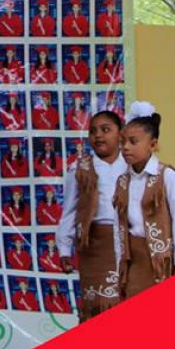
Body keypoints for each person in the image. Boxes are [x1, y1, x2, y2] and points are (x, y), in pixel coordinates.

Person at [114, 102, 175, 299]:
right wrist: (119, 262)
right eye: (123, 142)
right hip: (134, 262)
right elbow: (119, 225)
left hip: (163, 262)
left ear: (153, 144)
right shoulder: (122, 181)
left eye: (133, 142)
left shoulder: (167, 176)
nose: (125, 148)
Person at [57, 110, 126, 321]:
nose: (98, 136)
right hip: (95, 246)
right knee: (97, 305)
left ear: (120, 135)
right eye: (93, 131)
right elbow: (69, 211)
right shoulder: (79, 168)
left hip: (129, 243)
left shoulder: (132, 165)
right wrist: (64, 249)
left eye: (106, 130)